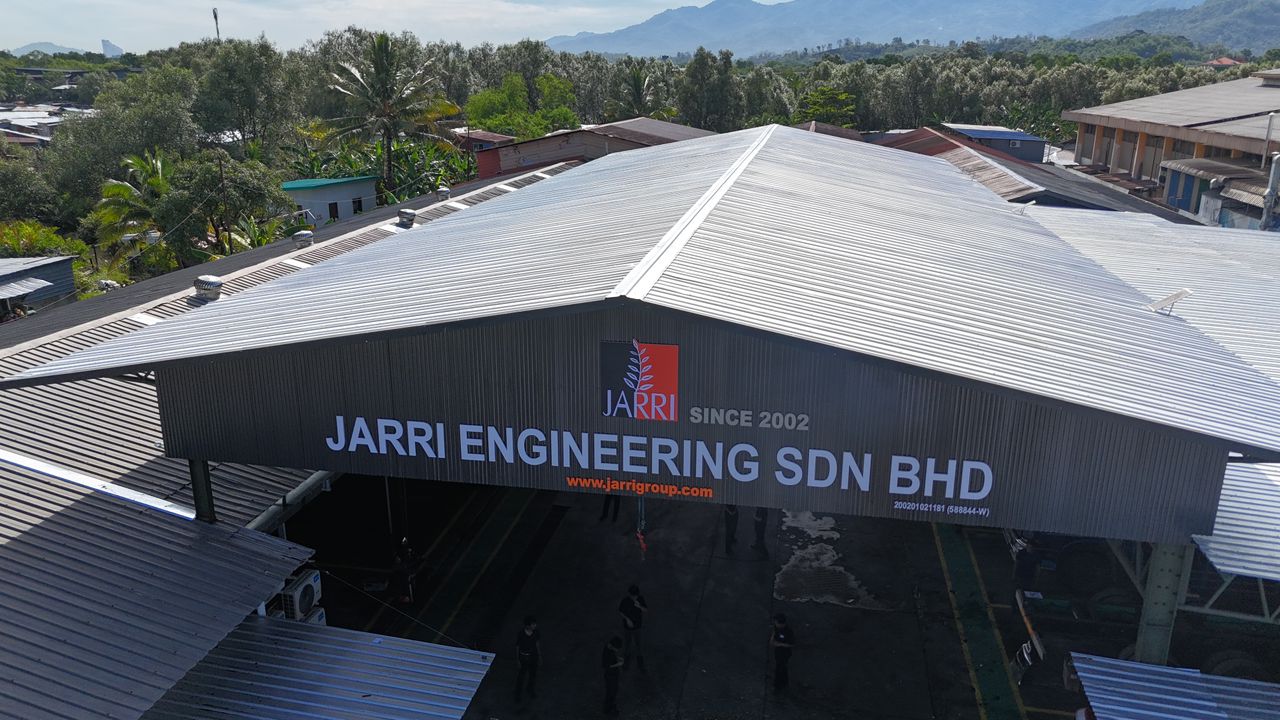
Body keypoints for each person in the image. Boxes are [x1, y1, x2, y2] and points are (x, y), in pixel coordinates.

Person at [618, 584, 648, 670]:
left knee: (638, 644)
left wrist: (640, 606)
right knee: (627, 643)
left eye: (636, 595)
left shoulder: (640, 599)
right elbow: (620, 611)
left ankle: (640, 661)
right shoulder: (625, 601)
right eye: (633, 596)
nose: (635, 597)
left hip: (638, 626)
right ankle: (627, 660)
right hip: (627, 627)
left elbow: (646, 610)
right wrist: (627, 619)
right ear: (629, 594)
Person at [514, 615, 540, 702]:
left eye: (535, 624)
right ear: (528, 625)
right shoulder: (521, 634)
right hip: (523, 657)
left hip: (533, 656)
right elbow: (517, 646)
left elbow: (537, 643)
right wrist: (517, 659)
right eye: (533, 624)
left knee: (533, 675)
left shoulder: (536, 632)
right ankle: (517, 694)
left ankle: (530, 689)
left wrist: (539, 655)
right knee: (521, 677)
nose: (535, 625)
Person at [770, 613, 795, 691]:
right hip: (778, 652)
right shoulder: (776, 628)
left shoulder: (788, 632)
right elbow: (773, 639)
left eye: (776, 622)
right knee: (782, 669)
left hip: (784, 654)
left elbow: (792, 644)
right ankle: (784, 683)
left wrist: (779, 644)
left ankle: (777, 686)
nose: (775, 623)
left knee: (779, 669)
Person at [601, 636, 624, 715]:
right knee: (611, 692)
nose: (617, 650)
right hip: (610, 676)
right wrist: (618, 664)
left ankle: (610, 706)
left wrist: (618, 658)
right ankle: (608, 709)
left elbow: (613, 656)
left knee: (613, 691)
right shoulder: (607, 653)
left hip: (613, 675)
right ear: (613, 646)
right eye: (617, 648)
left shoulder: (609, 648)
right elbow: (605, 665)